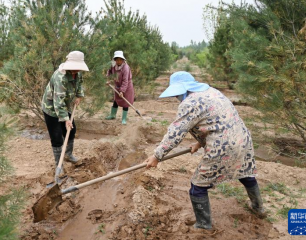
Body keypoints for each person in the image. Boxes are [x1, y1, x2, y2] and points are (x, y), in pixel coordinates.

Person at [144, 71, 265, 230]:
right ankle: (258, 208)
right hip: (242, 140)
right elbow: (215, 121)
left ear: (184, 90)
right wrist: (200, 143)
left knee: (198, 186)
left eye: (177, 94)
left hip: (224, 146)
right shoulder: (212, 92)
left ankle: (203, 225)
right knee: (245, 172)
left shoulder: (189, 103)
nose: (176, 97)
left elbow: (176, 133)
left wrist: (157, 156)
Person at [42, 51, 89, 172]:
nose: (76, 70)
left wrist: (79, 95)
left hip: (64, 106)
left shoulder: (77, 73)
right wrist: (66, 119)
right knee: (57, 136)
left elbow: (79, 84)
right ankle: (59, 165)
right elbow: (58, 102)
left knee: (71, 130)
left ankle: (68, 155)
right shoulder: (60, 77)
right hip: (51, 108)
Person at [105, 51, 135, 125]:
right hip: (117, 85)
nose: (118, 61)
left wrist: (122, 91)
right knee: (116, 100)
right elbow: (109, 72)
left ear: (123, 60)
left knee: (125, 102)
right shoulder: (113, 65)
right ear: (114, 60)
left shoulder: (125, 68)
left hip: (127, 87)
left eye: (120, 59)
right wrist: (108, 79)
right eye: (117, 59)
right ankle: (112, 115)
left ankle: (124, 119)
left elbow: (125, 81)